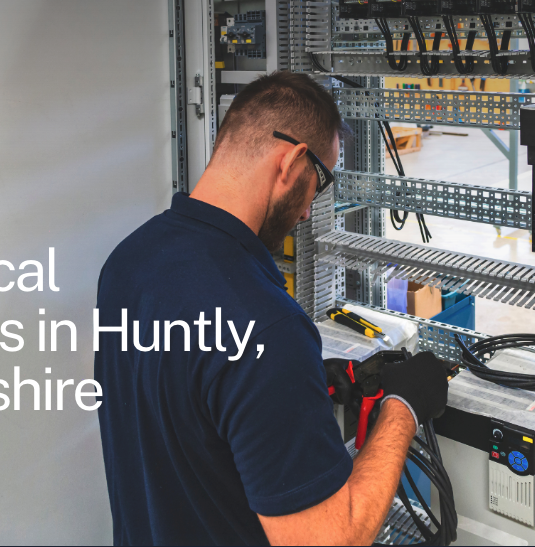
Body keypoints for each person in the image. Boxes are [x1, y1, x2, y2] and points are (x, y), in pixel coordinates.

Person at [94, 71, 450, 546]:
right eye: (318, 184)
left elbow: (183, 398)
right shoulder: (266, 328)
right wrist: (404, 407)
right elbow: (333, 539)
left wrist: (290, 389)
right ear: (292, 161)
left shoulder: (127, 261)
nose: (306, 212)